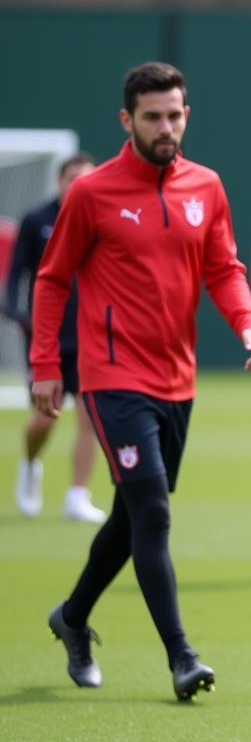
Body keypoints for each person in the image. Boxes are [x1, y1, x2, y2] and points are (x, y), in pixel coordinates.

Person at [31, 62, 251, 700]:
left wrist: (246, 319)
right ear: (126, 120)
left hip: (177, 379)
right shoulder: (92, 193)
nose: (167, 127)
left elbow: (223, 266)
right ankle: (182, 657)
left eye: (175, 114)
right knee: (154, 512)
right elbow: (52, 280)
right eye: (153, 117)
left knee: (133, 514)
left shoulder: (206, 186)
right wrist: (47, 366)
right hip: (111, 378)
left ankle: (73, 616)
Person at [6, 152, 107, 522]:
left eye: (88, 179)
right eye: (73, 178)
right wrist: (16, 311)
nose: (80, 185)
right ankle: (31, 464)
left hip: (89, 335)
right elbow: (16, 272)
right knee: (44, 420)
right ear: (60, 181)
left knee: (90, 418)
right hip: (46, 335)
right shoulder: (37, 220)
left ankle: (77, 495)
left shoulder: (101, 219)